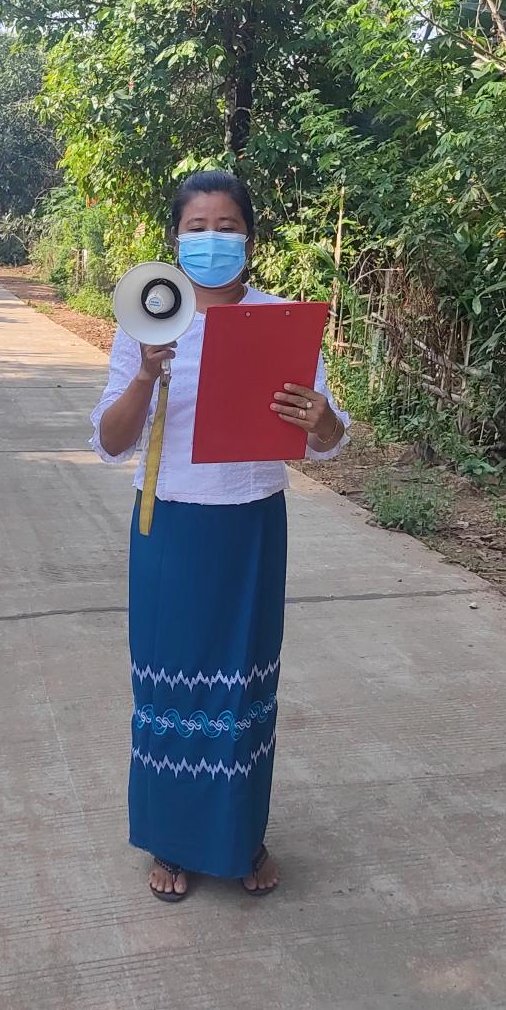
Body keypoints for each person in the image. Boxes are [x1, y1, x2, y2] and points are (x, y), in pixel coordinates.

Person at [89, 170, 349, 902]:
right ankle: (171, 841)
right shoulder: (148, 318)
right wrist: (145, 376)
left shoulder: (280, 321)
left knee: (244, 683)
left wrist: (321, 420)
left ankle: (240, 839)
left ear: (250, 238)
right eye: (196, 228)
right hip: (170, 524)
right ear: (175, 239)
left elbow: (328, 441)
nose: (211, 240)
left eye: (227, 226)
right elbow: (109, 440)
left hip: (252, 525)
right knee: (169, 683)